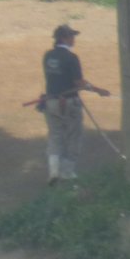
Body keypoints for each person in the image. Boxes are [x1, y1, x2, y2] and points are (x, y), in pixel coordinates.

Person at [39, 23, 109, 184]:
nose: (74, 40)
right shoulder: (71, 58)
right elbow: (79, 83)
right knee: (73, 136)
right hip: (69, 103)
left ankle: (54, 171)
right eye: (72, 37)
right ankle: (67, 172)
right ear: (65, 38)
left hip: (50, 102)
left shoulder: (48, 56)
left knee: (55, 136)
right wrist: (98, 90)